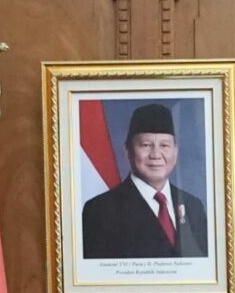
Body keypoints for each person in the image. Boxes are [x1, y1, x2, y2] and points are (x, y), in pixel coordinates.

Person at [81, 102, 208, 259]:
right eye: (146, 145)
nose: (156, 154)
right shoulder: (100, 211)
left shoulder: (193, 206)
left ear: (176, 151)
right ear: (128, 151)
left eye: (165, 145)